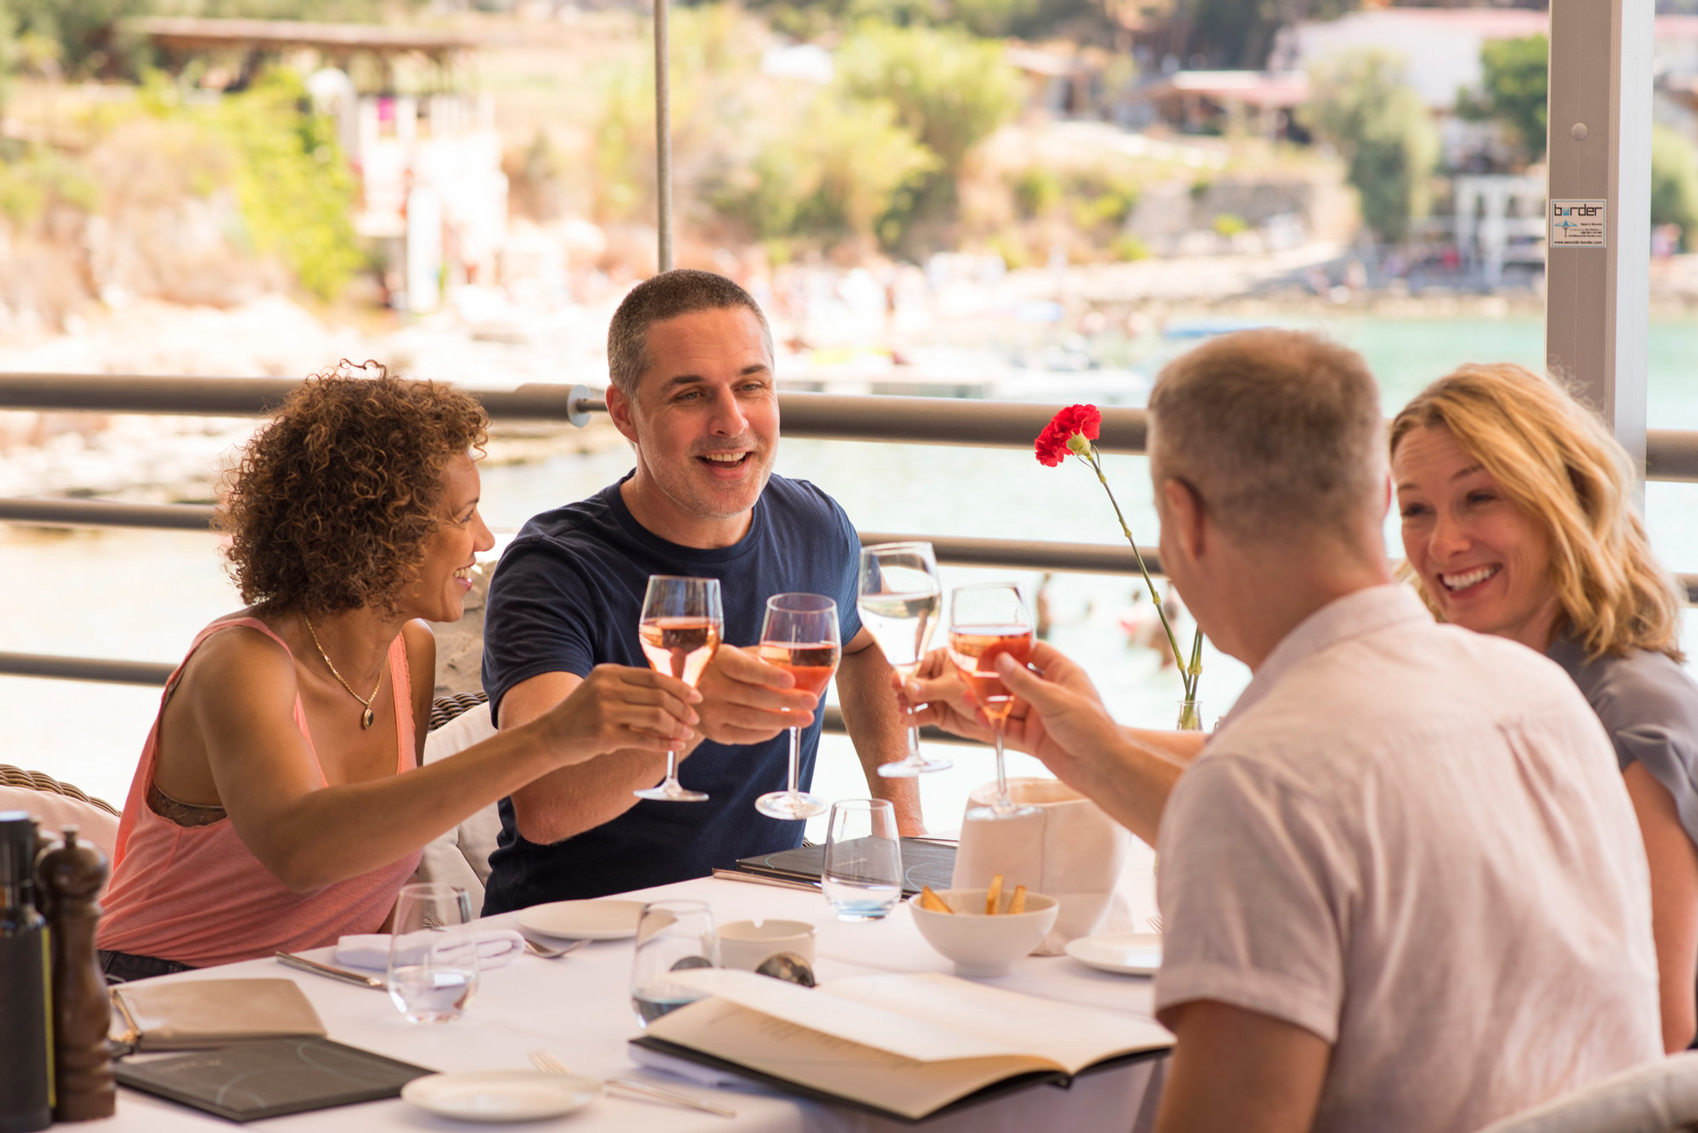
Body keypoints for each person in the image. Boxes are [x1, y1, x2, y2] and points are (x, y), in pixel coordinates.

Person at [904, 330, 1660, 1132]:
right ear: (1376, 497)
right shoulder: (1544, 697)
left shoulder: (1262, 786)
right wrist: (1079, 748)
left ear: (1183, 519)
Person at [97, 368, 700, 982]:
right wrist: (544, 740)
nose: (486, 541)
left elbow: (374, 866)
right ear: (377, 533)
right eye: (464, 516)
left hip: (315, 989)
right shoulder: (242, 664)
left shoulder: (408, 651)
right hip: (155, 989)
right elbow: (304, 853)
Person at [479, 270, 916, 913]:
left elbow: (860, 649)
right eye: (691, 395)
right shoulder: (555, 566)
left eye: (751, 386)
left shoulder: (816, 526)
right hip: (573, 942)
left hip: (760, 919)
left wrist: (902, 828)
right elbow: (547, 804)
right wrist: (693, 717)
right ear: (624, 412)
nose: (731, 420)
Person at [1390, 362, 1698, 1052]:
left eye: (1479, 498)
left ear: (1564, 498)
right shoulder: (1465, 679)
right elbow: (1289, 775)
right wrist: (1097, 744)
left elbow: (1659, 1030)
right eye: (1416, 509)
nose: (1442, 544)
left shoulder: (1635, 717)